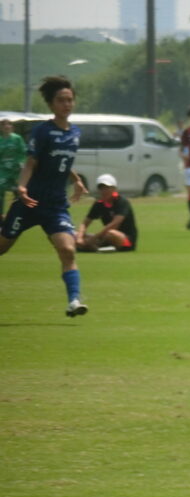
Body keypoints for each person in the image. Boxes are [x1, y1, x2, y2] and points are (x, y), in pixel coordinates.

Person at [0, 75, 89, 318]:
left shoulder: (75, 133)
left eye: (70, 100)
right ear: (51, 104)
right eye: (61, 100)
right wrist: (22, 187)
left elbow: (61, 161)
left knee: (68, 250)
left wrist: (76, 179)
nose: (67, 104)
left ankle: (74, 301)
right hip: (30, 202)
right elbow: (32, 162)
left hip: (55, 205)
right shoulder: (42, 131)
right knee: (2, 247)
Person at [75, 173, 138, 252]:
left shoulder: (122, 202)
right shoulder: (99, 204)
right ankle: (94, 246)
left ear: (114, 188)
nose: (104, 191)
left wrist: (94, 238)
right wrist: (79, 237)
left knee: (111, 233)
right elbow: (85, 223)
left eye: (107, 188)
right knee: (73, 234)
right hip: (105, 236)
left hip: (126, 242)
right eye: (101, 188)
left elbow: (115, 224)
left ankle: (93, 246)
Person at [0, 117, 27, 223]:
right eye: (3, 124)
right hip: (3, 171)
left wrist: (21, 163)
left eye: (9, 124)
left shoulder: (17, 138)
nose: (6, 126)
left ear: (12, 127)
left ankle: (15, 214)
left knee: (18, 192)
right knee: (0, 192)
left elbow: (23, 151)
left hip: (15, 170)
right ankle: (1, 217)